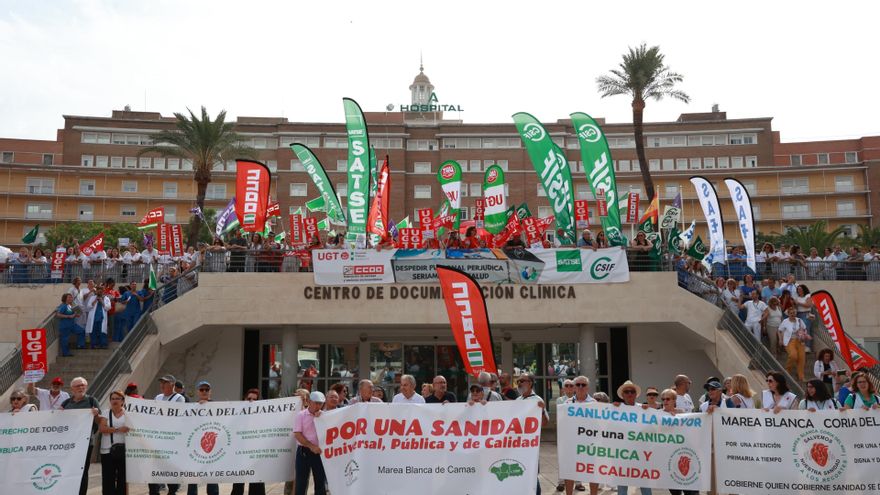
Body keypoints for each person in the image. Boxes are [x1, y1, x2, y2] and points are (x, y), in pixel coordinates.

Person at [62, 377, 101, 495]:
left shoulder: (92, 401)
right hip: (68, 443)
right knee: (68, 469)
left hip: (86, 443)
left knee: (82, 471)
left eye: (83, 385)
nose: (81, 387)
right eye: (78, 386)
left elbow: (100, 422)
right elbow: (57, 420)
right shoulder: (66, 403)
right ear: (72, 389)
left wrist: (96, 415)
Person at [612, 381, 650, 495]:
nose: (629, 394)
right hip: (622, 453)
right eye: (626, 392)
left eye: (632, 391)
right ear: (622, 395)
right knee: (622, 483)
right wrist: (613, 409)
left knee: (645, 483)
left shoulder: (644, 408)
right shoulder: (616, 408)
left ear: (635, 394)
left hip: (641, 453)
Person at [149, 375, 185, 495]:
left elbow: (176, 416)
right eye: (161, 382)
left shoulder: (178, 398)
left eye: (165, 382)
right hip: (157, 439)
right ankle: (154, 492)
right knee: (154, 468)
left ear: (172, 384)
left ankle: (172, 491)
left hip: (171, 440)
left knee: (170, 468)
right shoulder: (158, 397)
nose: (162, 385)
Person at [516, 373, 549, 495]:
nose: (519, 383)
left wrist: (541, 411)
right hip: (518, 443)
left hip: (530, 444)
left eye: (523, 381)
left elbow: (545, 423)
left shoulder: (537, 400)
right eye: (518, 381)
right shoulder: (517, 400)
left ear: (530, 383)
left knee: (532, 473)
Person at [230, 389, 266, 495]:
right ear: (244, 399)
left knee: (256, 482)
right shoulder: (236, 415)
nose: (251, 401)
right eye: (249, 398)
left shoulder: (265, 416)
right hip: (240, 453)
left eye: (255, 399)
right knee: (238, 484)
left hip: (256, 454)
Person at [563, 376, 594, 495]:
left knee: (592, 471)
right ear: (574, 387)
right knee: (570, 471)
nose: (581, 387)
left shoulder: (595, 404)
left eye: (583, 385)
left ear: (588, 387)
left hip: (589, 443)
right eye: (578, 385)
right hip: (571, 443)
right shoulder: (567, 403)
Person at [187, 382, 219, 495]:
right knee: (193, 476)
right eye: (202, 389)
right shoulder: (191, 407)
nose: (204, 391)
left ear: (210, 391)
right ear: (197, 392)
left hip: (212, 447)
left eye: (207, 389)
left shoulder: (218, 406)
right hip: (195, 446)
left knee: (211, 476)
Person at [294, 391, 327, 495]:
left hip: (319, 453)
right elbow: (297, 434)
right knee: (301, 482)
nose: (318, 406)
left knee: (320, 482)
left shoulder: (325, 416)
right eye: (316, 403)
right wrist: (311, 446)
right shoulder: (301, 415)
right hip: (304, 452)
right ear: (309, 402)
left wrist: (322, 417)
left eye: (320, 403)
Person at [98, 390, 129, 495]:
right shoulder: (106, 412)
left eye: (117, 398)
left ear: (123, 401)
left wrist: (110, 429)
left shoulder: (128, 413)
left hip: (124, 451)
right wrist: (118, 429)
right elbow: (102, 428)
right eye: (113, 398)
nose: (115, 401)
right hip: (107, 450)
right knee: (108, 478)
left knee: (123, 478)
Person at [779, 307, 810, 382]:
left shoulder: (799, 320)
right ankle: (787, 369)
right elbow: (779, 330)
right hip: (789, 341)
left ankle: (801, 377)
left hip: (800, 341)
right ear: (788, 314)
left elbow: (805, 329)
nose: (793, 314)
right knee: (793, 355)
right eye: (791, 313)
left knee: (801, 359)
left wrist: (804, 335)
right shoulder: (785, 321)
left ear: (796, 313)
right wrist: (780, 340)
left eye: (794, 313)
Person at [86, 284, 111, 348]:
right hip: (93, 319)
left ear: (103, 291)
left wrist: (102, 302)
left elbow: (108, 308)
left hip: (102, 318)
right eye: (98, 290)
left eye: (101, 290)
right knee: (93, 332)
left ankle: (103, 345)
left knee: (102, 332)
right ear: (96, 291)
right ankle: (94, 345)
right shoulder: (92, 298)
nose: (100, 291)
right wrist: (95, 301)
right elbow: (88, 307)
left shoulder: (106, 298)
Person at [794, 284, 814, 351]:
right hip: (798, 314)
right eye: (798, 289)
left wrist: (799, 303)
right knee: (799, 331)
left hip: (806, 314)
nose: (799, 290)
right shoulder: (797, 297)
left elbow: (809, 305)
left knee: (806, 329)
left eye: (800, 289)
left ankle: (807, 347)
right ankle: (801, 345)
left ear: (803, 289)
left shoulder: (808, 296)